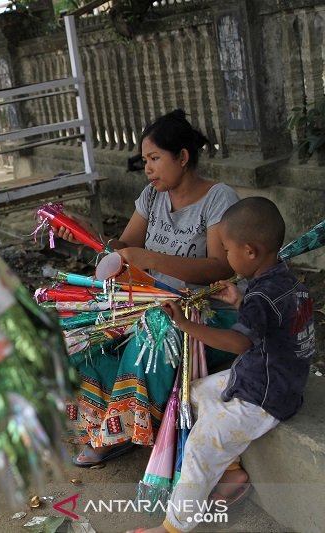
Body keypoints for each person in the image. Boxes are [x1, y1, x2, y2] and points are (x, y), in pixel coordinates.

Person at [56, 109, 240, 467]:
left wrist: (150, 258)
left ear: (183, 158)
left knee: (153, 332)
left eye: (155, 159)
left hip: (203, 316)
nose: (148, 169)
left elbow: (222, 268)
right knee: (76, 333)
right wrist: (84, 236)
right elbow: (121, 248)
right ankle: (97, 421)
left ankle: (119, 431)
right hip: (145, 304)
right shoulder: (152, 198)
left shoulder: (218, 199)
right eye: (145, 161)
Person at [128, 197, 315, 533]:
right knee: (196, 390)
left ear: (251, 252)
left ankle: (172, 526)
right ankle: (229, 470)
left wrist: (186, 326)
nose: (225, 257)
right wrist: (239, 300)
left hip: (264, 397)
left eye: (227, 250)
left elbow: (238, 342)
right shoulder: (282, 282)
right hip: (274, 376)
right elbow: (271, 320)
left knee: (201, 443)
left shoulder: (262, 296)